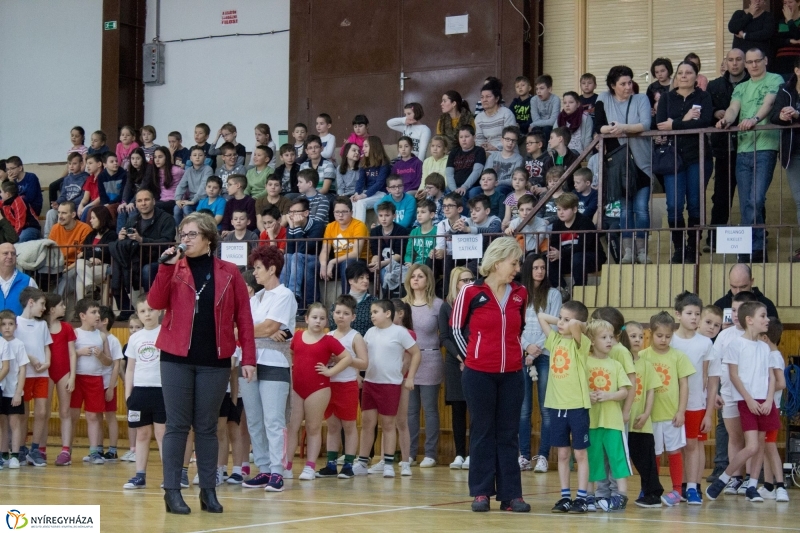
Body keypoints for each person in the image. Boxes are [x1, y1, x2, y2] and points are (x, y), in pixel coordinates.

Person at [148, 212, 256, 514]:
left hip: (215, 359)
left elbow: (244, 319)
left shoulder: (230, 271)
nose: (185, 240)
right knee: (177, 426)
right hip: (175, 358)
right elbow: (156, 302)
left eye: (192, 234)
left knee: (208, 427)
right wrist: (165, 268)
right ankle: (172, 491)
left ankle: (208, 491)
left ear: (208, 238)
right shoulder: (174, 268)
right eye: (183, 235)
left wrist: (248, 358)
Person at [452, 237, 530, 513]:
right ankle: (481, 492)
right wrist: (471, 358)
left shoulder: (520, 292)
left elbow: (517, 331)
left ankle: (512, 496)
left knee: (509, 434)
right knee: (483, 432)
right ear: (497, 262)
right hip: (478, 374)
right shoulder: (471, 292)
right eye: (514, 262)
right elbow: (455, 330)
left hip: (512, 375)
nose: (517, 268)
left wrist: (517, 356)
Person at [715, 47, 782, 263]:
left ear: (766, 61)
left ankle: (757, 245)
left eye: (757, 61)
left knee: (756, 198)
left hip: (765, 147)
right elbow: (733, 108)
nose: (753, 65)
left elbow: (769, 103)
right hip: (742, 149)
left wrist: (754, 119)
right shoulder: (741, 87)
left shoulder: (775, 79)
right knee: (745, 202)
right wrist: (727, 120)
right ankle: (748, 249)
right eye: (750, 62)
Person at [705, 301, 776, 503]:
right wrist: (749, 399)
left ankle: (752, 485)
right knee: (751, 445)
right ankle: (725, 477)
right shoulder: (735, 344)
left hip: (765, 402)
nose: (767, 319)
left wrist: (770, 399)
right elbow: (734, 376)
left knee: (760, 444)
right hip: (747, 401)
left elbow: (770, 376)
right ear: (750, 320)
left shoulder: (764, 347)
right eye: (763, 316)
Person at [239, 245, 296, 493]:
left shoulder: (285, 295)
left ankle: (277, 471)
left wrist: (247, 333)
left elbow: (269, 327)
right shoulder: (255, 298)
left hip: (274, 363)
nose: (255, 273)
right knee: (254, 419)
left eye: (258, 268)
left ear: (272, 269)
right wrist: (252, 333)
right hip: (250, 360)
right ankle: (263, 468)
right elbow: (251, 328)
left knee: (274, 420)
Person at [352, 300, 421, 478]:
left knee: (389, 424)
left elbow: (416, 353)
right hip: (370, 383)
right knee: (367, 423)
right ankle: (362, 462)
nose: (372, 315)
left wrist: (411, 377)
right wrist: (358, 374)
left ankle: (389, 463)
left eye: (375, 312)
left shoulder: (400, 333)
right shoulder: (369, 332)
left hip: (391, 385)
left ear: (388, 313)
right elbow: (360, 355)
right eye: (371, 312)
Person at [655, 60, 714, 263]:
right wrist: (687, 120)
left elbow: (706, 121)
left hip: (698, 156)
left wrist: (677, 123)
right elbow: (661, 125)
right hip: (673, 158)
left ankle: (692, 246)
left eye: (688, 72)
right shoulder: (667, 98)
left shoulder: (704, 96)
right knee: (674, 206)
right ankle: (679, 248)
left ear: (696, 76)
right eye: (680, 72)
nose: (683, 76)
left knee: (696, 205)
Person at [595, 65, 654, 264]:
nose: (628, 87)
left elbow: (645, 125)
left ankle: (642, 250)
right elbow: (599, 126)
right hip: (618, 164)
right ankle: (628, 252)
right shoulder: (603, 98)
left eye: (629, 82)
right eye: (623, 84)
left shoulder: (641, 98)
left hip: (641, 160)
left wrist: (622, 128)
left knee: (641, 208)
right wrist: (615, 129)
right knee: (625, 210)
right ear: (613, 86)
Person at [284, 304, 350, 481]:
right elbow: (291, 352)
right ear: (306, 319)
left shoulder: (328, 340)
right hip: (296, 387)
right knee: (292, 427)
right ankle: (287, 465)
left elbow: (347, 358)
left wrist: (330, 372)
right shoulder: (297, 336)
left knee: (313, 427)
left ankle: (310, 467)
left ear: (326, 321)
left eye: (322, 318)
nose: (318, 321)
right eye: (314, 317)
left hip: (318, 388)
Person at [537, 300, 592, 513]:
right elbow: (542, 317)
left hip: (577, 406)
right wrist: (564, 322)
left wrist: (575, 323)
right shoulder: (555, 340)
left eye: (566, 319)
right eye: (559, 318)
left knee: (580, 455)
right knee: (562, 454)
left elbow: (578, 327)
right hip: (556, 406)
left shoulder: (582, 342)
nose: (560, 323)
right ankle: (565, 497)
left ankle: (582, 497)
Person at [639, 311, 695, 507]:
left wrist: (681, 411)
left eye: (668, 336)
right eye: (659, 335)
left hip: (671, 415)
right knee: (651, 454)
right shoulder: (642, 356)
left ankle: (677, 491)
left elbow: (684, 385)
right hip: (649, 416)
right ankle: (649, 487)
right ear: (651, 333)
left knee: (674, 453)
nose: (664, 340)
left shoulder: (678, 357)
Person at [706, 292, 756, 490]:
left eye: (740, 310)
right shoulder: (724, 335)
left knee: (751, 438)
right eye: (733, 310)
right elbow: (713, 365)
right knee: (734, 437)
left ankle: (751, 477)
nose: (735, 315)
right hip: (728, 394)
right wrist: (715, 392)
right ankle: (736, 477)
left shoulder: (757, 337)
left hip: (752, 396)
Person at [317, 294, 368, 479]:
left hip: (347, 385)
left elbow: (364, 363)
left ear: (353, 317)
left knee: (349, 425)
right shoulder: (328, 336)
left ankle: (348, 464)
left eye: (345, 313)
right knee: (332, 426)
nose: (341, 316)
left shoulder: (356, 337)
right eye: (338, 312)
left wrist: (344, 360)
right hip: (329, 385)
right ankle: (331, 464)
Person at [584, 319, 632, 512]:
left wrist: (609, 396)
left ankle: (620, 495)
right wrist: (589, 396)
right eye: (604, 337)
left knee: (616, 458)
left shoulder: (616, 364)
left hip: (612, 421)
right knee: (592, 458)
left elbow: (625, 391)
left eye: (611, 337)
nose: (609, 341)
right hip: (591, 421)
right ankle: (587, 495)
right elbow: (578, 388)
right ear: (592, 341)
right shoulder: (584, 362)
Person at [519, 253, 561, 473]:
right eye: (535, 267)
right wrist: (526, 347)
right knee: (523, 410)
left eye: (543, 267)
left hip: (544, 354)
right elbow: (516, 324)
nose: (540, 271)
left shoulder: (553, 294)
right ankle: (523, 456)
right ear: (528, 269)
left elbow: (554, 326)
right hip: (522, 353)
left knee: (546, 409)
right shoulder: (519, 293)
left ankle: (543, 456)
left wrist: (535, 351)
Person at [670, 292, 713, 505]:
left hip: (695, 402)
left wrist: (709, 410)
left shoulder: (705, 343)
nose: (694, 318)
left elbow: (708, 378)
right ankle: (678, 487)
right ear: (678, 315)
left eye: (697, 314)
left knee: (692, 445)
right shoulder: (670, 340)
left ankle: (693, 487)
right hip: (670, 403)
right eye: (689, 313)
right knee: (674, 447)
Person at [706, 49, 749, 252]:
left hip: (749, 146)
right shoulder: (714, 85)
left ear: (745, 62)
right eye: (730, 60)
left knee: (751, 195)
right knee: (722, 195)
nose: (734, 64)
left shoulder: (753, 83)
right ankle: (714, 240)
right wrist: (715, 112)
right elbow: (706, 110)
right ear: (726, 62)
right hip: (723, 147)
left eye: (738, 60)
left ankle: (758, 238)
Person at [122, 294, 166, 489]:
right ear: (138, 314)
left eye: (151, 310)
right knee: (142, 434)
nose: (147, 314)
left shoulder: (166, 333)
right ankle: (140, 475)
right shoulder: (135, 339)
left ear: (160, 311)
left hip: (162, 391)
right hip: (140, 392)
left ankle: (169, 476)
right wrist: (128, 394)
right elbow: (130, 368)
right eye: (143, 311)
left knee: (162, 433)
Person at [110, 189, 175, 318]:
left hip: (161, 259)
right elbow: (128, 243)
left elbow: (167, 242)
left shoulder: (166, 218)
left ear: (153, 201)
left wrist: (142, 240)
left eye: (146, 200)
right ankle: (125, 310)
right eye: (139, 201)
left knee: (147, 270)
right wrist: (122, 238)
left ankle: (151, 305)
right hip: (137, 259)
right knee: (116, 269)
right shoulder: (133, 220)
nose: (143, 203)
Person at [402, 264, 443, 468]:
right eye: (413, 276)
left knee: (430, 409)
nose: (416, 279)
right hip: (407, 362)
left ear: (428, 280)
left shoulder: (437, 305)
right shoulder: (402, 305)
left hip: (430, 359)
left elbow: (444, 335)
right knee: (410, 410)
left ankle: (430, 453)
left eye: (420, 276)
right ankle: (409, 453)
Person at [624, 320, 666, 508]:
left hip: (640, 422)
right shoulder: (618, 361)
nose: (638, 340)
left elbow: (650, 391)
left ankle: (653, 493)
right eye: (633, 336)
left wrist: (647, 413)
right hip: (622, 421)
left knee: (645, 460)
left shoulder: (646, 365)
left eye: (641, 337)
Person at [69, 299, 112, 465]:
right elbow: (67, 355)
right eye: (93, 312)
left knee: (93, 415)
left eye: (98, 312)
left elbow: (109, 362)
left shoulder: (101, 336)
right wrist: (79, 352)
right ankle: (67, 450)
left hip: (95, 379)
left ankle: (94, 451)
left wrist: (101, 356)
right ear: (82, 316)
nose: (97, 315)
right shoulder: (75, 333)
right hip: (77, 378)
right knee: (72, 416)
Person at [439, 267, 473, 469]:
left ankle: (473, 454)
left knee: (476, 410)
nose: (468, 283)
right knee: (458, 410)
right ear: (455, 283)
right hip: (455, 361)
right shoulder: (446, 307)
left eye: (471, 279)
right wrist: (461, 356)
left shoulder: (476, 303)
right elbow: (444, 337)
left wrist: (470, 358)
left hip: (476, 360)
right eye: (463, 280)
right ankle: (460, 453)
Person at [16, 287, 51, 467]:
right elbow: (15, 347)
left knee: (42, 412)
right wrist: (30, 358)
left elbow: (47, 347)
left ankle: (35, 449)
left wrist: (47, 363)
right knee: (22, 414)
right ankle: (21, 448)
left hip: (41, 374)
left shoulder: (42, 325)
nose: (44, 308)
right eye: (42, 304)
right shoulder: (15, 323)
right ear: (31, 302)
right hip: (24, 374)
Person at [43, 293, 77, 466]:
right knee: (44, 413)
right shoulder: (41, 327)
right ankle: (40, 449)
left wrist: (72, 376)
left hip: (64, 373)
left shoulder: (66, 328)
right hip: (45, 373)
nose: (65, 307)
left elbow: (72, 353)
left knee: (65, 412)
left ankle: (65, 450)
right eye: (62, 305)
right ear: (51, 309)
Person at [771, 55, 800, 256]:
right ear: (797, 70)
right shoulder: (785, 90)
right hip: (794, 151)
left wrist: (798, 113)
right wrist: (782, 116)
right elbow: (773, 116)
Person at [759, 319, 790, 502]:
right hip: (766, 407)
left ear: (764, 337)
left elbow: (781, 383)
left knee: (769, 447)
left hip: (772, 407)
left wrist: (762, 390)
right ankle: (769, 485)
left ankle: (780, 485)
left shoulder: (773, 356)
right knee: (764, 447)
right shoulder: (770, 354)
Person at [547, 193, 605, 288]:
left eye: (565, 209)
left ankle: (579, 288)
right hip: (568, 258)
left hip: (591, 257)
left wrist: (561, 253)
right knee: (547, 259)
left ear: (574, 209)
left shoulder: (585, 222)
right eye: (558, 209)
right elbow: (554, 244)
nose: (561, 212)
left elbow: (583, 246)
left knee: (577, 258)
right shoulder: (557, 224)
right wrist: (555, 253)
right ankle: (562, 289)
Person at [319, 197, 369, 294]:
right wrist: (323, 265)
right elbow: (325, 250)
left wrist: (332, 261)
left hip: (359, 262)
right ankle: (311, 303)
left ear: (351, 212)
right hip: (339, 262)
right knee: (310, 265)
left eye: (344, 212)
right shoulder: (330, 226)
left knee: (347, 264)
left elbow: (355, 253)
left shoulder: (359, 225)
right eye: (337, 212)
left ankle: (346, 299)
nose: (340, 215)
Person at [284, 197, 324, 313]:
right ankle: (283, 291)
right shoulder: (290, 227)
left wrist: (296, 227)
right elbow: (290, 251)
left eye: (296, 212)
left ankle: (293, 293)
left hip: (316, 259)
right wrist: (292, 227)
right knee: (287, 257)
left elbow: (304, 249)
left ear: (306, 213)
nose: (292, 215)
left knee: (297, 256)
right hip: (298, 260)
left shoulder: (317, 226)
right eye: (290, 212)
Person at [0, 311, 28, 469]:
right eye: (3, 324)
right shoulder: (0, 343)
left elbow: (23, 369)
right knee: (2, 423)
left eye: (10, 324)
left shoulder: (19, 345)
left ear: (15, 326)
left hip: (13, 390)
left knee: (14, 422)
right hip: (1, 390)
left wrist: (19, 392)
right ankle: (3, 453)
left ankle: (15, 455)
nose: (7, 327)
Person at [74, 206, 116, 301]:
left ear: (101, 218)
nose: (90, 221)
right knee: (79, 264)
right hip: (89, 265)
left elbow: (105, 253)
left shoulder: (112, 235)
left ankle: (81, 308)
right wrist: (90, 257)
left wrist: (86, 255)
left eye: (93, 218)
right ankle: (91, 288)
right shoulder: (91, 234)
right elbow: (83, 251)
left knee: (80, 277)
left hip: (104, 266)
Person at [713, 263, 779, 321]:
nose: (738, 291)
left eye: (743, 287)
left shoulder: (766, 305)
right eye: (734, 287)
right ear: (729, 281)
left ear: (751, 281)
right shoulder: (720, 305)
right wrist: (721, 329)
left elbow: (773, 332)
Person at [351, 136, 391, 222]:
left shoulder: (384, 163)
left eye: (366, 146)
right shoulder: (364, 162)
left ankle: (359, 232)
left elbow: (379, 183)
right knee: (354, 202)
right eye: (363, 146)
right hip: (368, 192)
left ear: (373, 147)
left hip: (381, 193)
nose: (363, 149)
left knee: (361, 202)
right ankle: (352, 232)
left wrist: (363, 196)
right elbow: (360, 181)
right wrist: (357, 193)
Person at [174, 145, 213, 224]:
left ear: (205, 157)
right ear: (191, 158)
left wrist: (193, 201)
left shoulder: (208, 169)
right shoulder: (188, 171)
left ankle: (194, 229)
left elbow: (203, 186)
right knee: (177, 208)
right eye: (194, 155)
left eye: (200, 155)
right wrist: (178, 199)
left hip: (203, 199)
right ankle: (179, 232)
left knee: (186, 208)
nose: (197, 157)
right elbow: (181, 185)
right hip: (191, 199)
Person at [475, 79, 516, 151]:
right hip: (487, 152)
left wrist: (495, 147)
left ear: (497, 99)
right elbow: (479, 140)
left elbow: (510, 138)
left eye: (488, 96)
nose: (484, 100)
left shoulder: (506, 114)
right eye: (482, 97)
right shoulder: (479, 118)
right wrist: (482, 148)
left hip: (506, 151)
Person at [445, 125, 486, 196]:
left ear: (474, 137)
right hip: (454, 187)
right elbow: (449, 174)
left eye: (467, 136)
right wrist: (454, 190)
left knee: (472, 193)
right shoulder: (454, 152)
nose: (463, 139)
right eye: (461, 137)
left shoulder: (479, 151)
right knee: (445, 192)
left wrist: (464, 186)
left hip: (472, 186)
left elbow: (477, 172)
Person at [483, 126, 524, 195]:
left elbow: (515, 179)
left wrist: (498, 182)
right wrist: (490, 182)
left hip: (506, 187)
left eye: (513, 140)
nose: (510, 143)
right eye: (507, 139)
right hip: (489, 184)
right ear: (502, 140)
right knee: (474, 191)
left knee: (498, 190)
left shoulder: (518, 159)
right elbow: (485, 173)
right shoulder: (493, 156)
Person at [0, 243, 37, 314]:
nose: (10, 256)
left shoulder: (28, 281)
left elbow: (37, 307)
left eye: (13, 254)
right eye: (5, 253)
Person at [531, 75, 561, 141]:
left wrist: (533, 124)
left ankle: (547, 150)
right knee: (535, 129)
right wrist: (534, 124)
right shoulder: (533, 100)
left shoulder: (556, 99)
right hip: (538, 127)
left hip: (551, 127)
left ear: (549, 89)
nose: (538, 91)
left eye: (541, 88)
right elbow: (535, 120)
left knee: (547, 129)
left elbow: (553, 121)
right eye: (537, 89)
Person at [775, 0, 800, 79]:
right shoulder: (779, 21)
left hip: (797, 63)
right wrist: (789, 41)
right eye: (785, 3)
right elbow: (774, 41)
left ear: (798, 3)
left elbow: (797, 35)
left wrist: (789, 20)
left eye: (790, 2)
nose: (787, 5)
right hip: (780, 64)